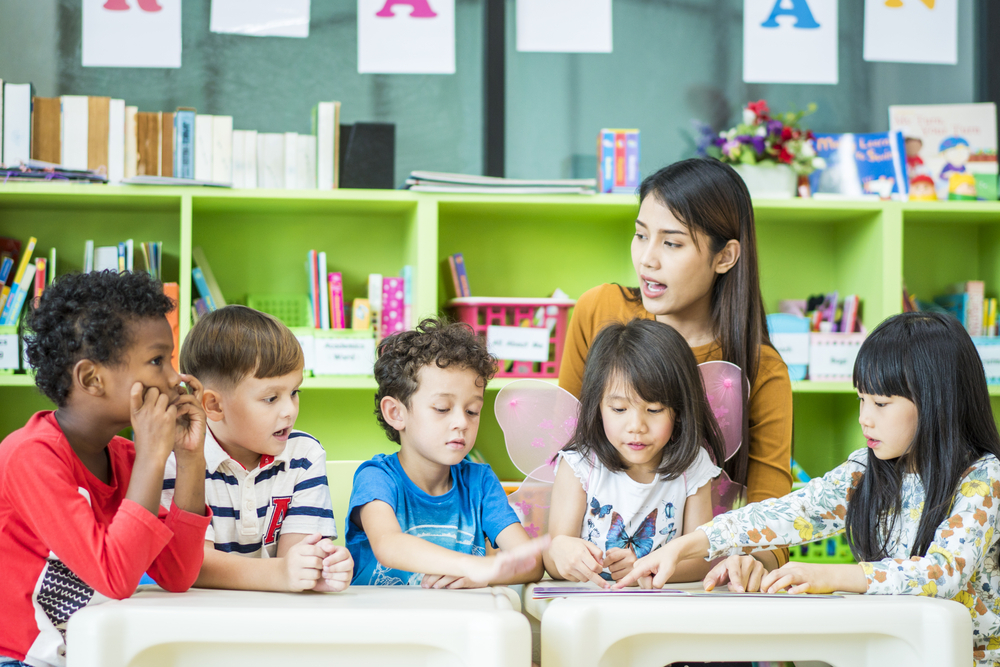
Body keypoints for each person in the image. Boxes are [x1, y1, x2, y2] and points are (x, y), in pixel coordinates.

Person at [617, 312, 1000, 666]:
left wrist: (829, 577)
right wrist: (685, 546)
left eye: (881, 403)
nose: (864, 418)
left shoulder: (983, 478)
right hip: (896, 650)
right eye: (861, 399)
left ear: (937, 401)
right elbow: (792, 512)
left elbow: (942, 572)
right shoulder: (869, 469)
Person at [559, 157, 793, 579]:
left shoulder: (761, 367)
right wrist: (561, 550)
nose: (647, 259)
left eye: (672, 243)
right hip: (591, 573)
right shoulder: (600, 311)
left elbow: (772, 509)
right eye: (640, 235)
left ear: (725, 256)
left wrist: (750, 564)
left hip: (694, 579)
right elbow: (565, 449)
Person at [0, 271, 211, 667]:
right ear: (91, 378)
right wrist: (151, 457)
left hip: (88, 654)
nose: (175, 378)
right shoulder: (31, 457)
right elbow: (115, 578)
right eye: (157, 361)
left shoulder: (125, 457)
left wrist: (189, 459)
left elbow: (179, 573)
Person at [161, 305, 353, 592]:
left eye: (294, 392)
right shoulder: (176, 460)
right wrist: (281, 574)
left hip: (275, 612)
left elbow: (296, 559)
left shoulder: (304, 455)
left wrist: (317, 568)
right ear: (214, 405)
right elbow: (192, 565)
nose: (289, 410)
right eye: (271, 398)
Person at [347, 317, 546, 587]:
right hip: (383, 614)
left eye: (472, 411)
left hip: (457, 614)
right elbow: (388, 545)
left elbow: (530, 563)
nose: (462, 422)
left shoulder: (480, 483)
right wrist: (472, 566)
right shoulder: (376, 477)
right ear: (396, 413)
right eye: (442, 408)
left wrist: (481, 576)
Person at [544, 319, 725, 586]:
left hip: (658, 604)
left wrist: (643, 568)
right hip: (591, 600)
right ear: (597, 406)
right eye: (619, 409)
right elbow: (554, 561)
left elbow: (699, 562)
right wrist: (561, 553)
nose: (636, 426)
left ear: (679, 410)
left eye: (654, 410)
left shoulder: (693, 465)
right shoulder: (580, 464)